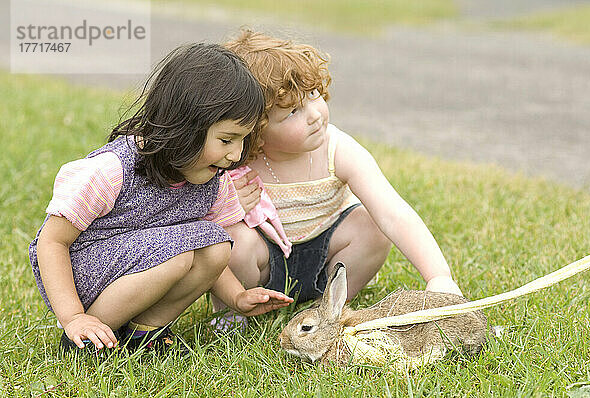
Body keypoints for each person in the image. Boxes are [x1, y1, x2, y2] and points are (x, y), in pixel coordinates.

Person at [28, 43, 293, 354]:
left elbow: (207, 251)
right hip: (83, 277)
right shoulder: (111, 171)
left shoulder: (212, 180)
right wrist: (73, 316)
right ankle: (86, 339)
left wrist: (236, 297)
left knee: (215, 245)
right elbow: (51, 243)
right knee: (180, 252)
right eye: (226, 140)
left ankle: (144, 335)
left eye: (242, 139)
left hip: (146, 263)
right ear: (184, 127)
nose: (235, 154)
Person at [215, 30, 463, 321]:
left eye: (313, 94)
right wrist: (227, 205)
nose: (315, 114)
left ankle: (327, 308)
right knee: (231, 241)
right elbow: (196, 217)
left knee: (371, 227)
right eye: (293, 111)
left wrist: (438, 277)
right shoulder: (234, 158)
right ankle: (233, 313)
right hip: (264, 263)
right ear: (255, 127)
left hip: (328, 254)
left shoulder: (337, 148)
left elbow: (394, 213)